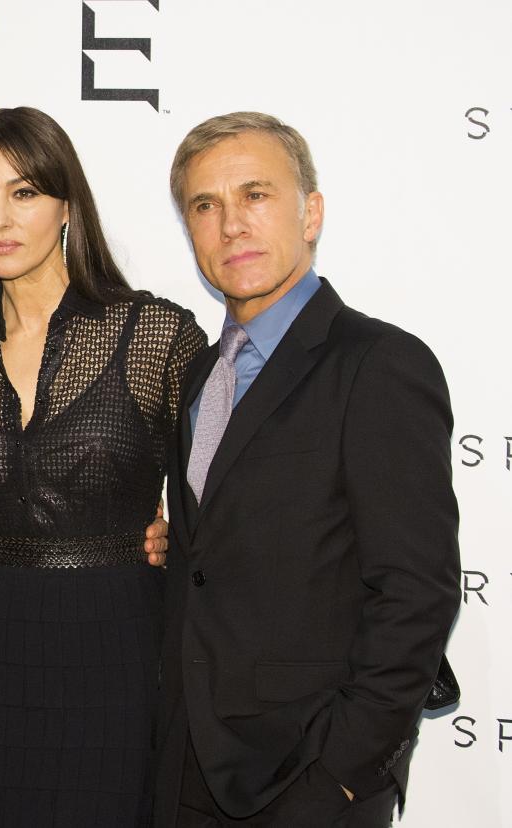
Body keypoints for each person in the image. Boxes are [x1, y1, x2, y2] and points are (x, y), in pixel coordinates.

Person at [153, 112, 461, 827]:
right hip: (183, 772)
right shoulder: (201, 375)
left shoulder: (379, 365)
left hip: (307, 782)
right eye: (205, 205)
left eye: (255, 195)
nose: (231, 225)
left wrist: (341, 777)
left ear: (311, 213)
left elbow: (417, 594)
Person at [0, 106, 206, 827]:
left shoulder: (154, 334)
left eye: (24, 193)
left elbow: (225, 505)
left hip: (115, 649)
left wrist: (178, 547)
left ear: (67, 205)